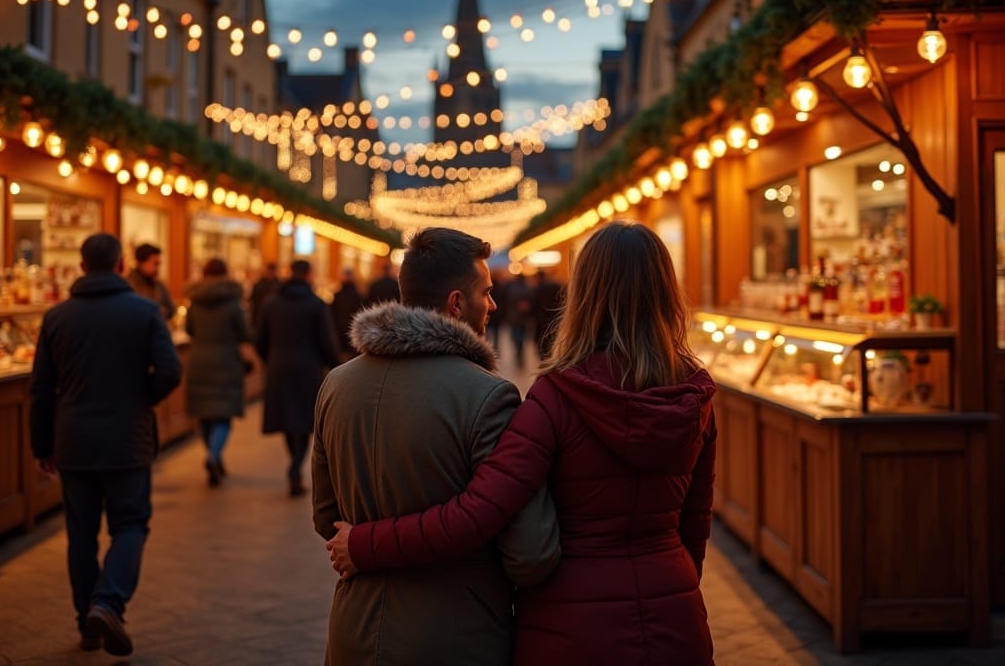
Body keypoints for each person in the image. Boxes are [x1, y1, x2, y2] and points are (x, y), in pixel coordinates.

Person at [327, 221, 717, 666]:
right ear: (667, 291)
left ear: (584, 294)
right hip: (675, 612)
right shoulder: (695, 397)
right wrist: (673, 589)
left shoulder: (557, 397)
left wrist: (365, 544)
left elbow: (477, 512)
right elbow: (695, 526)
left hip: (572, 626)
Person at [312, 227, 560, 666]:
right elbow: (529, 553)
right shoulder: (488, 396)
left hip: (354, 628)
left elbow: (327, 517)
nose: (494, 304)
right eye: (486, 293)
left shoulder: (336, 384)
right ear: (456, 303)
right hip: (456, 633)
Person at [29, 233, 182, 657]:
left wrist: (42, 444)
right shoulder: (144, 311)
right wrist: (141, 399)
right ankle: (108, 602)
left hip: (73, 441)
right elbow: (170, 370)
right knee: (130, 525)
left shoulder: (57, 317)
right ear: (119, 266)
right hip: (127, 438)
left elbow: (41, 389)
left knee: (80, 535)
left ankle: (87, 624)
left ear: (81, 267)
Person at [257, 259, 339, 496]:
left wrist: (271, 359)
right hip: (308, 369)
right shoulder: (316, 304)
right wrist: (336, 367)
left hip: (278, 369)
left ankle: (293, 466)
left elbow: (260, 339)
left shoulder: (271, 303)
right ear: (309, 275)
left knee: (286, 421)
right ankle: (295, 470)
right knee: (304, 423)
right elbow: (327, 343)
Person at [184, 257, 253, 487]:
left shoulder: (194, 302)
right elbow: (244, 333)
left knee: (204, 414)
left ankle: (214, 455)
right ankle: (214, 455)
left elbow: (189, 329)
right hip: (226, 361)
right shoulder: (233, 304)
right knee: (223, 414)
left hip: (199, 361)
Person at [126, 242, 176, 321]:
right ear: (141, 262)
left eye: (158, 264)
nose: (157, 268)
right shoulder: (128, 285)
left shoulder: (159, 285)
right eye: (155, 264)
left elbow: (171, 310)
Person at [330, 268, 363, 364]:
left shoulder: (337, 295)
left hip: (339, 331)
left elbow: (332, 314)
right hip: (354, 331)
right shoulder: (358, 295)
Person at [531, 269, 563, 360]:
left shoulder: (538, 289)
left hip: (540, 322)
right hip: (554, 320)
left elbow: (534, 305)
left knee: (541, 345)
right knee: (552, 343)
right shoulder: (557, 286)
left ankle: (543, 360)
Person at [247, 261, 280, 333]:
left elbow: (252, 301)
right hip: (263, 317)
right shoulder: (259, 285)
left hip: (268, 318)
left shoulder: (279, 285)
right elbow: (253, 301)